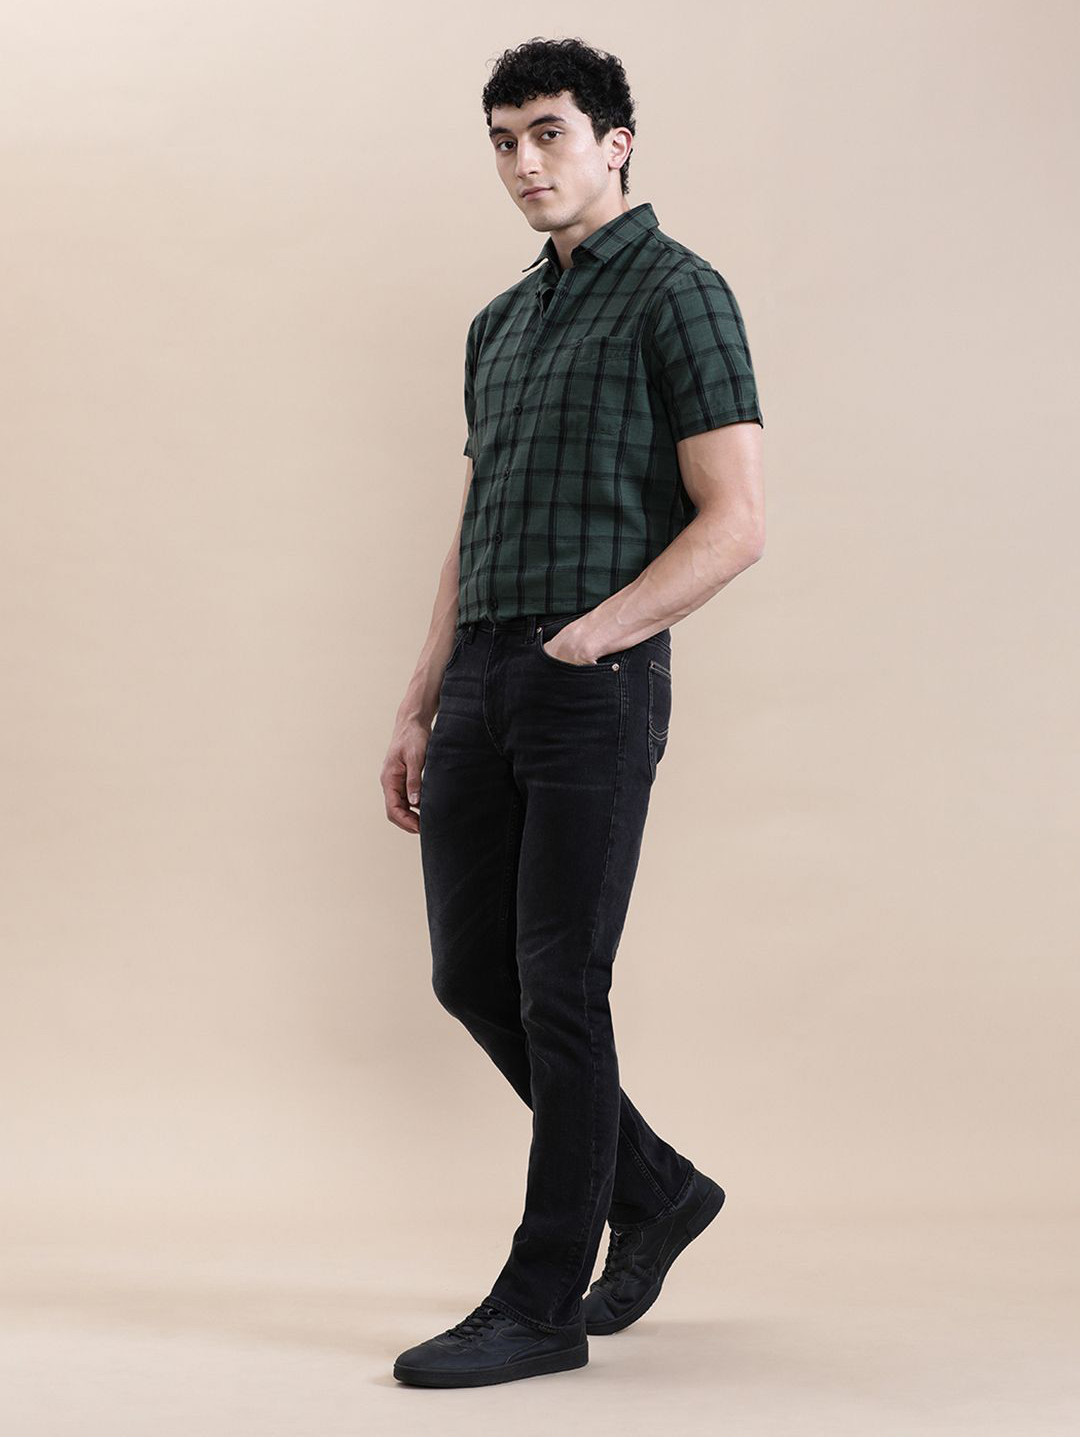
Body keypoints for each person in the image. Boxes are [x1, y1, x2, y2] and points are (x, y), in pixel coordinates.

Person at [382, 37, 765, 1388]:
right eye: (504, 141)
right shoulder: (500, 324)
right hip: (481, 677)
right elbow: (476, 518)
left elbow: (736, 521)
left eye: (549, 133)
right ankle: (653, 1191)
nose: (524, 162)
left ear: (615, 142)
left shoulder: (680, 291)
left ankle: (541, 1300)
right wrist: (422, 695)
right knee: (470, 975)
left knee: (559, 981)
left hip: (589, 680)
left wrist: (590, 638)